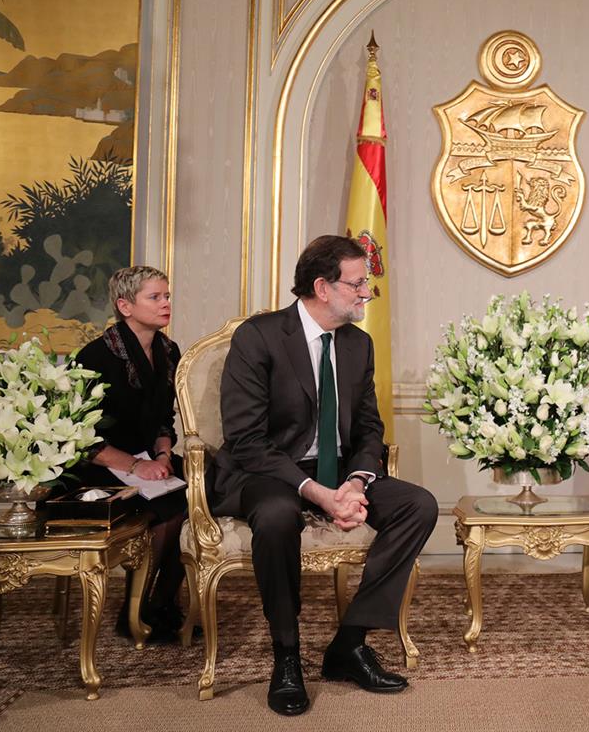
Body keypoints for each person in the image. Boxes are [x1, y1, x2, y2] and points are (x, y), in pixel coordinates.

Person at [213, 234, 438, 716]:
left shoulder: (358, 344)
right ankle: (287, 655)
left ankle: (349, 645)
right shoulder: (260, 336)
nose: (366, 294)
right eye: (358, 284)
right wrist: (318, 493)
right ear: (322, 286)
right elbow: (246, 439)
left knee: (418, 505)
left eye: (367, 284)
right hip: (268, 469)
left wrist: (355, 484)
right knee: (275, 516)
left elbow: (369, 427)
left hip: (336, 471)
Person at [72, 266, 188, 642]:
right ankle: (135, 611)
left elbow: (163, 419)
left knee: (206, 489)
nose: (166, 303)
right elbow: (79, 437)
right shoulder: (95, 356)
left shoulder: (168, 351)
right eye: (155, 297)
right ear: (125, 305)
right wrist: (137, 465)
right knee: (172, 506)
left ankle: (164, 601)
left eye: (167, 295)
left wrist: (164, 454)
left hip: (149, 459)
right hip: (101, 465)